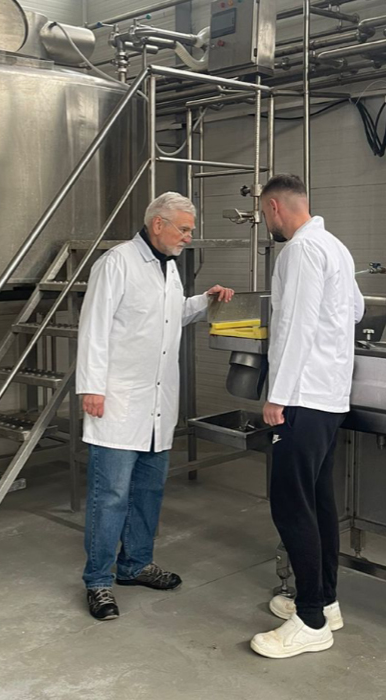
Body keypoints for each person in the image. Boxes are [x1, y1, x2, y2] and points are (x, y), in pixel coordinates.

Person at [76, 191, 234, 621]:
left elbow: (167, 315)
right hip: (118, 399)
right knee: (111, 495)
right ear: (158, 224)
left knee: (148, 490)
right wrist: (91, 387)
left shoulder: (169, 266)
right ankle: (98, 580)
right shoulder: (117, 262)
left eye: (190, 230)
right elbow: (93, 326)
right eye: (183, 229)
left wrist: (204, 302)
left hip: (157, 402)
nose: (188, 237)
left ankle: (135, 564)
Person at [250, 174, 364, 659]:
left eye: (263, 214)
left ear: (275, 207)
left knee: (290, 505)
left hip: (301, 397)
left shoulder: (298, 251)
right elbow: (356, 310)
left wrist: (276, 397)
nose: (265, 223)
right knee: (318, 502)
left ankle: (311, 620)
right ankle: (325, 600)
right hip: (330, 397)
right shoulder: (335, 246)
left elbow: (295, 328)